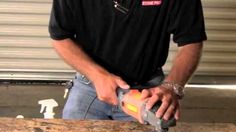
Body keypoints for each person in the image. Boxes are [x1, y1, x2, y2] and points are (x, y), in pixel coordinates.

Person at [49, 0, 207, 121]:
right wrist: (97, 75)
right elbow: (60, 37)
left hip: (146, 93)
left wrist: (172, 86)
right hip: (89, 87)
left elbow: (191, 41)